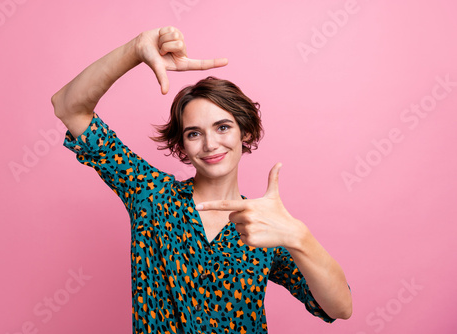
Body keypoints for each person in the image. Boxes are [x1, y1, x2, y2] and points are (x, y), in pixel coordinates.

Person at [51, 26, 352, 334]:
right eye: (194, 133)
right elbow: (68, 106)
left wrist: (298, 236)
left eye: (223, 127)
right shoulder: (150, 195)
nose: (210, 145)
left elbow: (339, 307)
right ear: (181, 145)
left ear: (245, 132)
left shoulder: (264, 224)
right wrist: (136, 50)